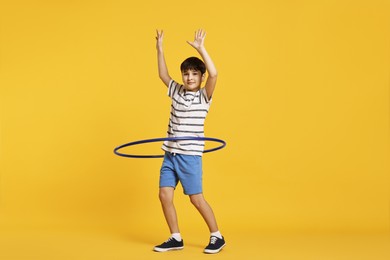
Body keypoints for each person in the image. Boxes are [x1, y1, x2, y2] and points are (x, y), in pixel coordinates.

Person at [153, 29, 225, 254]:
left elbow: (214, 74)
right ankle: (175, 237)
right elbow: (163, 76)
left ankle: (217, 235)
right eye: (186, 73)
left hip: (190, 156)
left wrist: (201, 49)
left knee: (196, 198)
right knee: (164, 194)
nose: (189, 77)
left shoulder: (204, 96)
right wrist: (160, 49)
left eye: (194, 74)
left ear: (200, 78)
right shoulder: (176, 90)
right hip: (170, 154)